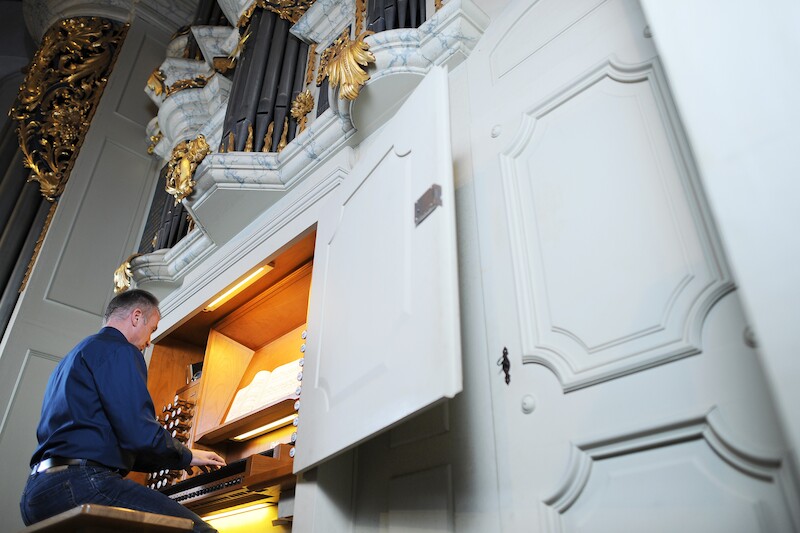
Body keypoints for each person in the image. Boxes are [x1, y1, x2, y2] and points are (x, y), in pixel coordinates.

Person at [19, 289, 226, 533]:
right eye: (152, 330)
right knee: (198, 530)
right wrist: (186, 456)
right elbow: (138, 432)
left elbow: (117, 443)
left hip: (37, 492)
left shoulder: (73, 359)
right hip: (80, 483)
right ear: (136, 317)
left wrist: (181, 458)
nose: (149, 341)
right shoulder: (119, 349)